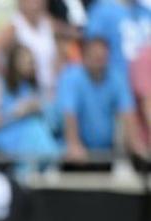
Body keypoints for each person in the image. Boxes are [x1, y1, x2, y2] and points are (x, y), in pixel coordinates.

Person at [57, 34, 146, 163]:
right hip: (72, 154)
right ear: (84, 56)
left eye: (102, 58)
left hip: (105, 152)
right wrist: (74, 144)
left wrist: (137, 146)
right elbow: (69, 114)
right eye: (95, 57)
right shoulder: (71, 78)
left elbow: (128, 113)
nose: (99, 62)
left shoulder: (116, 78)